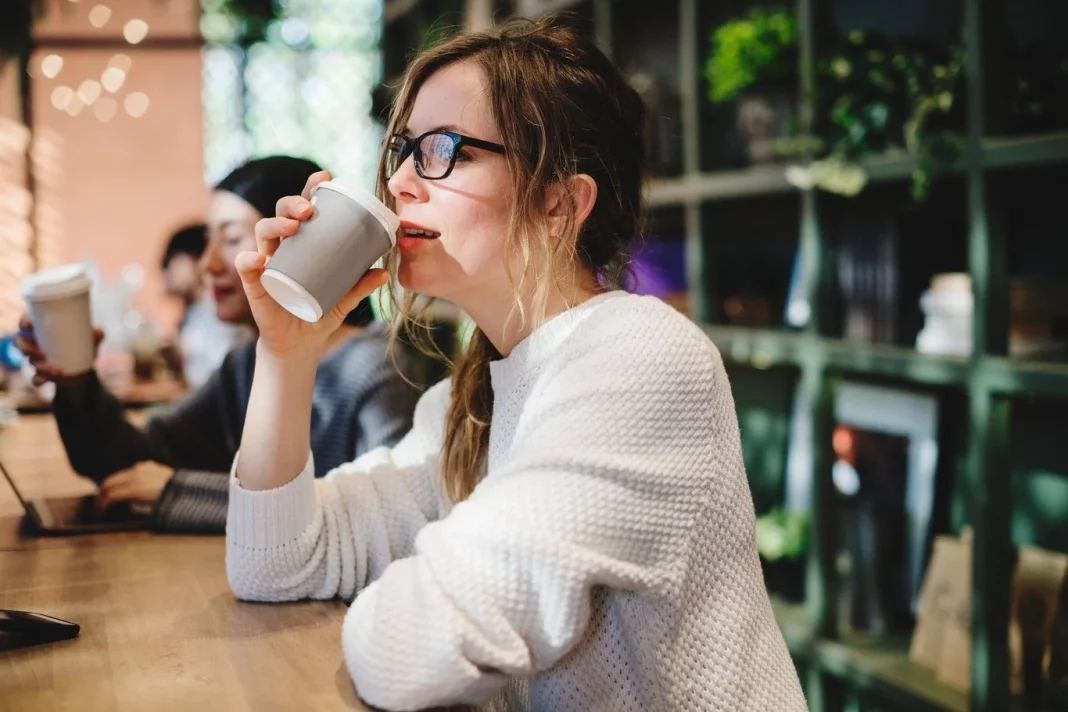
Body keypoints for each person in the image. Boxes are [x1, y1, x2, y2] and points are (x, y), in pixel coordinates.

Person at [226, 18, 806, 712]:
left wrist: (410, 589)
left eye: (445, 150)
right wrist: (286, 352)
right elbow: (275, 563)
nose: (401, 182)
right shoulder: (465, 403)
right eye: (403, 149)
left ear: (559, 204)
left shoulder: (641, 359)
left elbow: (409, 654)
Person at [16, 156, 422, 534]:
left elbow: (380, 518)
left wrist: (180, 490)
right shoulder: (245, 365)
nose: (206, 264)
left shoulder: (376, 370)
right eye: (207, 240)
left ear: (296, 240)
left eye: (229, 238)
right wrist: (74, 380)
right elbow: (131, 462)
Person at [160, 223, 251, 388]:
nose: (165, 273)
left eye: (171, 262)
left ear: (194, 260)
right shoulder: (192, 313)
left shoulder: (222, 311)